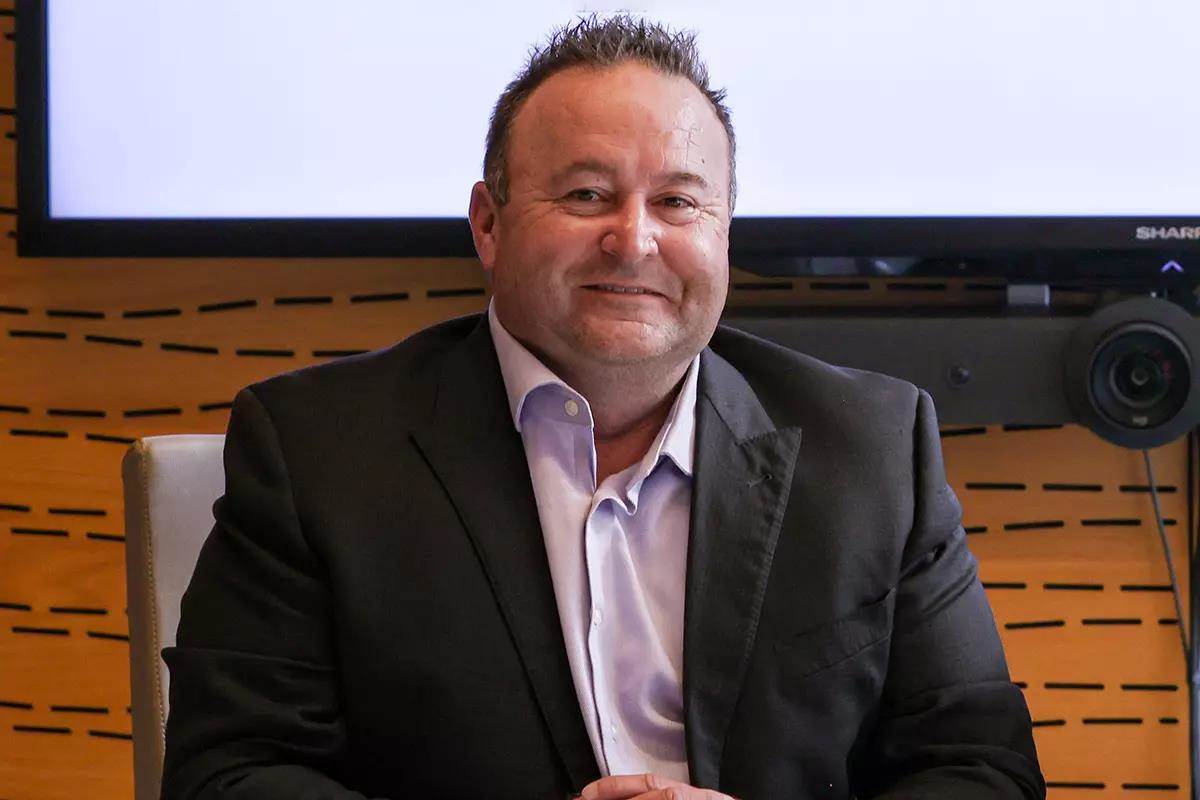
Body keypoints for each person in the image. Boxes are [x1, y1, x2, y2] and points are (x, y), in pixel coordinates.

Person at [161, 15, 1044, 800]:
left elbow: (983, 770)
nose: (634, 239)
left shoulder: (872, 449)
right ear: (489, 223)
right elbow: (228, 772)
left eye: (678, 201)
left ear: (724, 230)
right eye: (586, 195)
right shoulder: (318, 451)